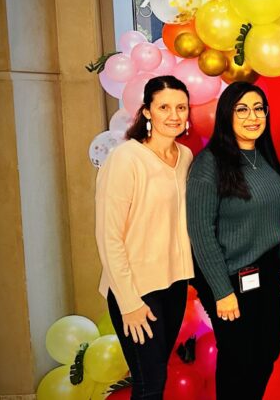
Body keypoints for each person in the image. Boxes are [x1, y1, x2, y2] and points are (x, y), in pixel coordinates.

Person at [186, 82, 280, 399]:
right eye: (242, 109)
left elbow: (270, 217)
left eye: (258, 108)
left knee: (268, 349)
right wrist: (221, 291)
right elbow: (200, 232)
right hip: (228, 276)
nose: (252, 117)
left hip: (265, 270)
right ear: (227, 115)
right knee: (238, 359)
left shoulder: (264, 156)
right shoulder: (210, 163)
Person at [94, 75, 194, 399]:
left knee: (154, 377)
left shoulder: (186, 157)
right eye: (164, 106)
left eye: (181, 107)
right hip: (136, 289)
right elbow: (109, 237)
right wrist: (129, 302)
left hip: (174, 284)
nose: (174, 115)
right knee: (150, 385)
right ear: (147, 112)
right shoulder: (125, 160)